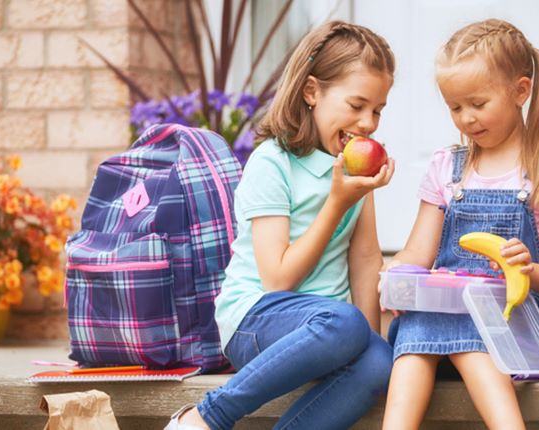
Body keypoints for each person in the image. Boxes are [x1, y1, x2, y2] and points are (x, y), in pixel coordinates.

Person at [166, 20, 397, 430]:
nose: (368, 123)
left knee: (379, 360)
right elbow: (278, 279)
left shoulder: (354, 169)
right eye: (356, 105)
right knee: (343, 322)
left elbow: (364, 258)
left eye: (377, 110)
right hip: (256, 322)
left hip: (330, 335)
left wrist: (368, 343)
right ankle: (206, 415)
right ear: (312, 92)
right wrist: (336, 203)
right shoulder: (273, 162)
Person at [381, 18, 539, 430]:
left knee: (473, 326)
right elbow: (417, 253)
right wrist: (395, 273)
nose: (466, 118)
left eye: (478, 103)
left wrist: (529, 270)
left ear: (520, 91)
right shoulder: (447, 167)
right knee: (420, 326)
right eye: (455, 107)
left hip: (517, 323)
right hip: (442, 319)